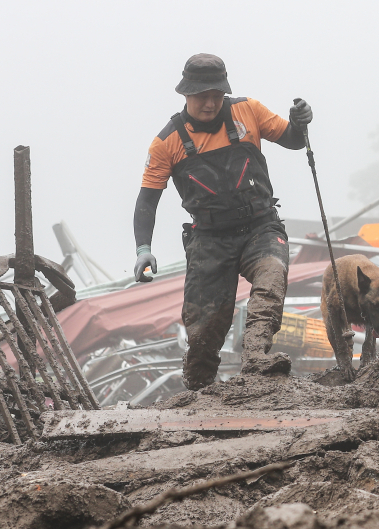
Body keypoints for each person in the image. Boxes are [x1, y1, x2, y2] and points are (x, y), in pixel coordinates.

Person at [132, 53, 313, 390]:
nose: (211, 104)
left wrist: (301, 122)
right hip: (210, 239)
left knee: (272, 277)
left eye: (217, 95)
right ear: (186, 94)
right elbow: (147, 201)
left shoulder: (249, 111)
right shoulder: (166, 142)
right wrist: (143, 248)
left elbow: (292, 140)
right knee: (203, 332)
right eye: (203, 96)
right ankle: (198, 391)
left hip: (260, 226)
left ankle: (257, 357)